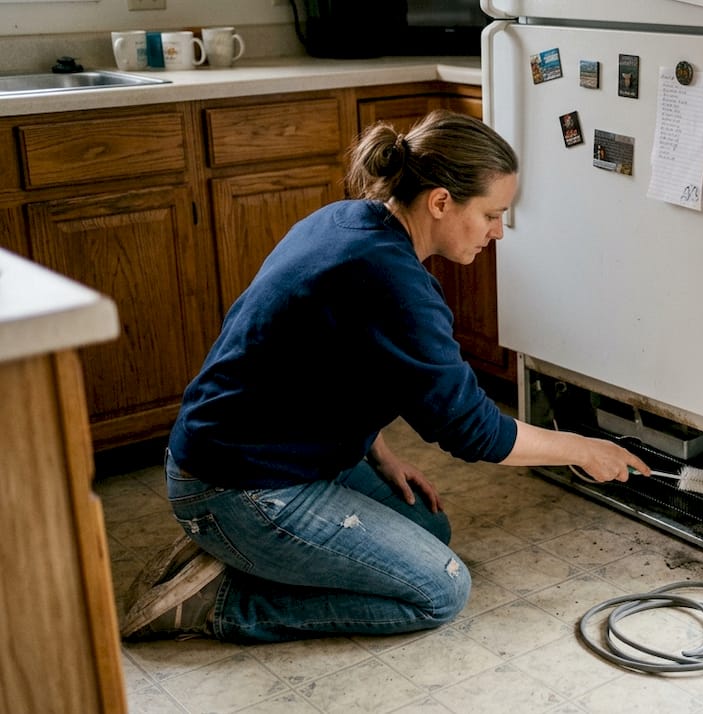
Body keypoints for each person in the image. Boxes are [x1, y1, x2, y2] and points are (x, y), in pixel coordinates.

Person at [119, 110, 650, 643]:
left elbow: (318, 362)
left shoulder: (348, 220)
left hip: (258, 452)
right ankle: (221, 601)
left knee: (430, 528)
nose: (497, 232)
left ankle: (245, 552)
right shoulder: (393, 284)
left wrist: (377, 450)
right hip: (239, 484)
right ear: (441, 201)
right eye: (492, 214)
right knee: (439, 590)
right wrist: (583, 449)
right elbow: (476, 432)